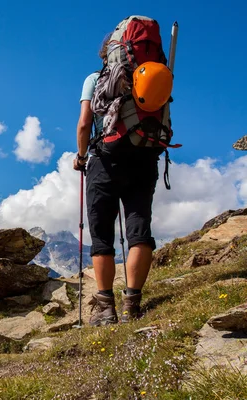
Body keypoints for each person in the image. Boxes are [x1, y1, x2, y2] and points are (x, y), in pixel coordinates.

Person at [73, 33, 161, 326]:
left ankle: (106, 309)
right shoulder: (151, 75)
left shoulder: (94, 79)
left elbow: (86, 122)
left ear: (107, 55)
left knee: (102, 236)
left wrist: (81, 156)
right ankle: (132, 305)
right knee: (139, 228)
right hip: (145, 154)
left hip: (105, 160)